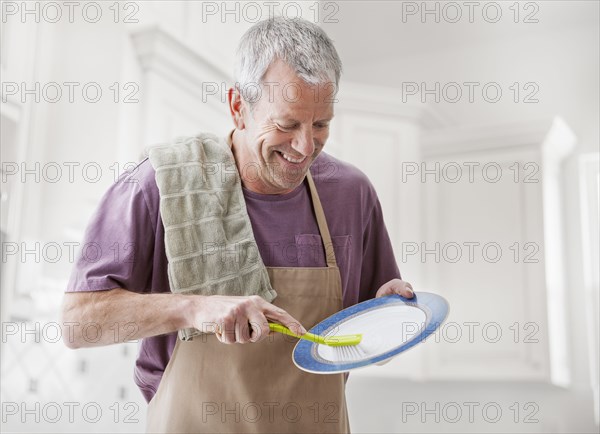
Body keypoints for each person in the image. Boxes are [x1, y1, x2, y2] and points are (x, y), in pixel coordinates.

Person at [62, 17, 414, 433]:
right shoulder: (158, 185)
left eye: (321, 125)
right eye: (286, 125)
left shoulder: (351, 194)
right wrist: (194, 307)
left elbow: (372, 343)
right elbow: (78, 322)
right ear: (237, 107)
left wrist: (390, 319)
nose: (305, 148)